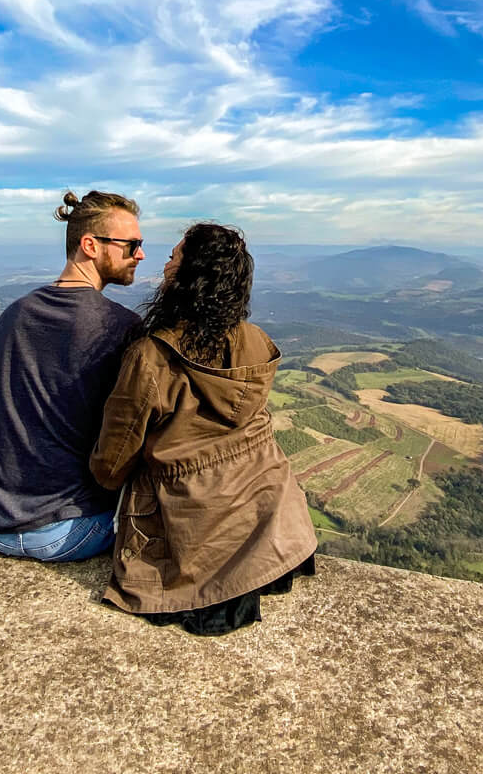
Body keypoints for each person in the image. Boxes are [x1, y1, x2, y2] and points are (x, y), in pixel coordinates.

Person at [90, 222, 317, 634]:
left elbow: (112, 464)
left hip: (194, 538)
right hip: (271, 525)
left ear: (188, 277)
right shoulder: (254, 339)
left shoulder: (151, 358)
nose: (164, 262)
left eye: (173, 256)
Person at [0, 189, 145, 562]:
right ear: (90, 245)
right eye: (131, 245)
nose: (140, 254)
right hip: (71, 530)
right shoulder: (121, 327)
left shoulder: (13, 316)